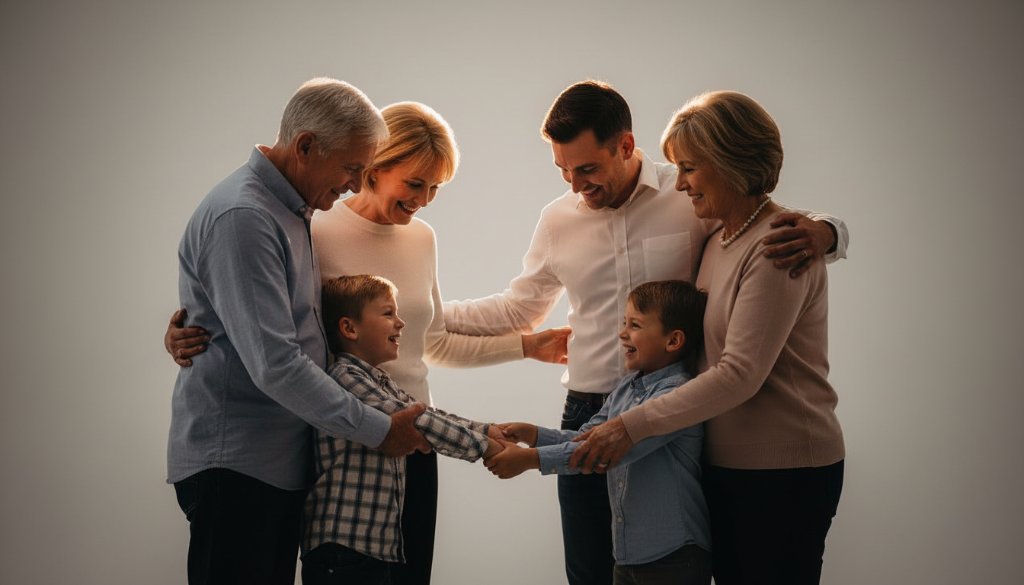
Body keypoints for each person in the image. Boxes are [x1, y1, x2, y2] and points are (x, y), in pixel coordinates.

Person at [441, 80, 849, 585]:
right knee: (592, 571)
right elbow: (518, 307)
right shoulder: (559, 220)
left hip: (675, 411)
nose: (575, 184)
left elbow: (764, 217)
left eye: (587, 168)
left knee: (667, 565)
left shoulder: (692, 202)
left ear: (626, 145)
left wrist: (829, 231)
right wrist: (425, 315)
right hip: (594, 408)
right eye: (563, 170)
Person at [165, 100, 569, 584]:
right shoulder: (313, 225)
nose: (425, 199)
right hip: (346, 440)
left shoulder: (420, 238)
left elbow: (432, 339)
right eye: (415, 183)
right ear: (375, 168)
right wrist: (189, 328)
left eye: (436, 187)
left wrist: (525, 347)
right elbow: (259, 319)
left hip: (417, 436)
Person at [571, 91, 845, 585]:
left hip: (782, 473)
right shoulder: (719, 237)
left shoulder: (777, 246)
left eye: (690, 168)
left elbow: (738, 374)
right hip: (727, 468)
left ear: (731, 162)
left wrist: (631, 425)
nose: (680, 184)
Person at [167, 78, 430, 585]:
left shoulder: (291, 211)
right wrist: (379, 430)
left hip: (274, 467)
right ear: (306, 146)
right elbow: (276, 363)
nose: (356, 184)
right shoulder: (245, 217)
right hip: (238, 468)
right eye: (352, 168)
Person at [486, 280, 712, 585]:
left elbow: (604, 451)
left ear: (673, 341)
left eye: (634, 325)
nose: (622, 333)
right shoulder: (626, 388)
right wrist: (532, 434)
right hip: (628, 556)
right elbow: (587, 437)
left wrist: (530, 459)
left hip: (673, 557)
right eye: (624, 323)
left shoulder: (677, 397)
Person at [304, 274, 507, 584]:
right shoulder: (345, 377)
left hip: (371, 549)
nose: (400, 323)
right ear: (349, 328)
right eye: (388, 313)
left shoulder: (380, 382)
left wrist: (488, 430)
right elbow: (419, 423)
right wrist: (484, 446)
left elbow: (428, 413)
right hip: (343, 550)